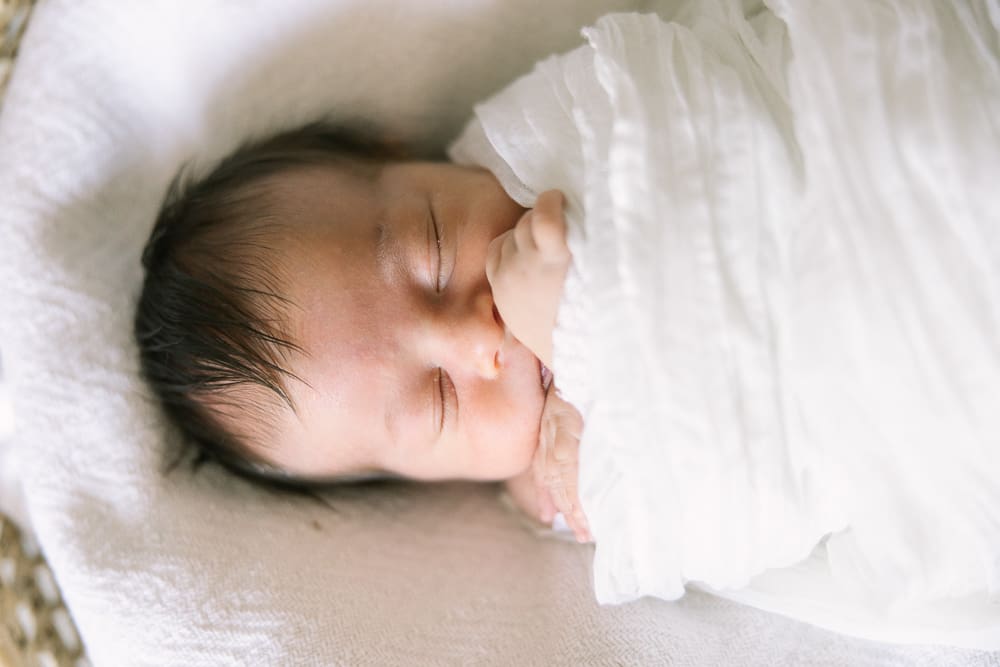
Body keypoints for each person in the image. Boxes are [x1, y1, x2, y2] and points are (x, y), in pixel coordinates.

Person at [134, 122, 592, 542]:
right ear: (433, 479)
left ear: (405, 158)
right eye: (438, 402)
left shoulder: (557, 132)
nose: (478, 336)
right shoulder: (558, 481)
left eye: (435, 252)